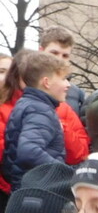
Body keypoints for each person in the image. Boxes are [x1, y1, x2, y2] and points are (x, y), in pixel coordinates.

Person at [2, 52, 71, 194]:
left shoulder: (25, 103)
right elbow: (29, 151)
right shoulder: (39, 110)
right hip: (37, 191)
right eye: (64, 79)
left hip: (23, 187)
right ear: (46, 82)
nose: (68, 84)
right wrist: (64, 172)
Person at [38, 27, 88, 119]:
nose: (59, 59)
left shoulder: (76, 93)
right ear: (41, 51)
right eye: (54, 53)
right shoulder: (24, 85)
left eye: (65, 55)